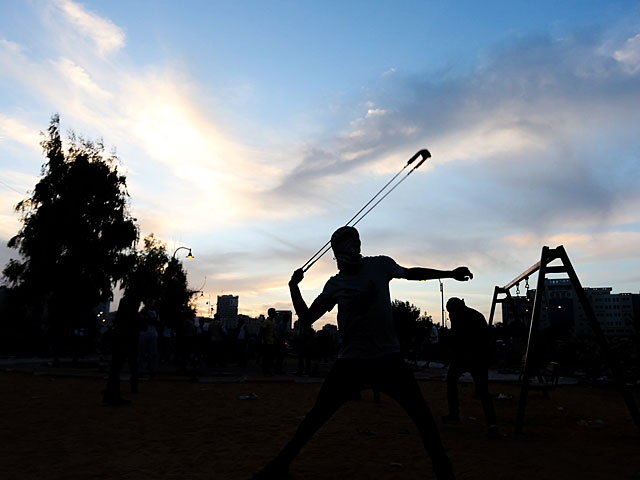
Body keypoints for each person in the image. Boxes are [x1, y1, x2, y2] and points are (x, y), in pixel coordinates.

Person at [253, 226, 474, 480]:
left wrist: (449, 273)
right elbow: (307, 317)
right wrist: (293, 287)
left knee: (421, 417)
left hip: (384, 359)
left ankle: (443, 470)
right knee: (316, 417)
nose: (349, 251)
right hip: (354, 362)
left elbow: (411, 274)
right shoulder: (336, 284)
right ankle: (280, 465)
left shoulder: (379, 266)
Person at [442, 297, 498, 439]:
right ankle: (492, 424)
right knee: (483, 391)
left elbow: (456, 339)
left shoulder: (459, 317)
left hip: (467, 357)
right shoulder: (476, 315)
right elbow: (487, 337)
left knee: (453, 382)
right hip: (477, 358)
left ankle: (455, 415)